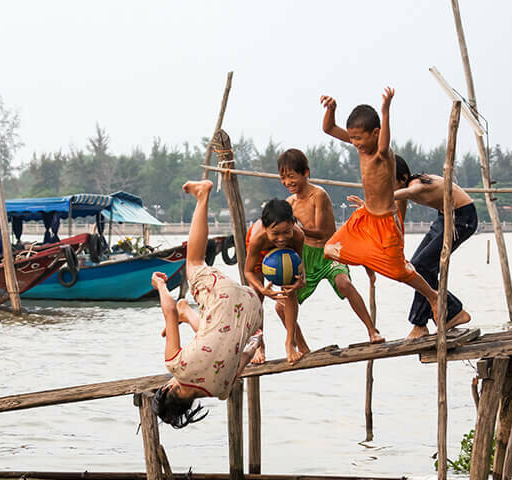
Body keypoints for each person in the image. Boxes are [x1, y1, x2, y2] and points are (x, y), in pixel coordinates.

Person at [319, 88, 440, 333]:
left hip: (386, 221)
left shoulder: (383, 154)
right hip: (365, 217)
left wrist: (385, 110)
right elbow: (329, 129)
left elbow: (384, 142)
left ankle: (433, 296)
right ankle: (370, 263)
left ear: (375, 133)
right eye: (352, 139)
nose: (355, 144)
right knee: (330, 249)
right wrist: (331, 109)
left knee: (399, 271)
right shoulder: (360, 147)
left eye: (360, 139)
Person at [152, 180, 264, 429]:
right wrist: (159, 286)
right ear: (170, 389)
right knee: (194, 262)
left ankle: (188, 312)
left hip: (254, 308)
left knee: (214, 333)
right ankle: (202, 196)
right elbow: (167, 310)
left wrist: (257, 340)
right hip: (224, 294)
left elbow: (246, 353)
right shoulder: (176, 366)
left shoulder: (222, 391)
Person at [277, 148, 383, 346]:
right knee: (281, 306)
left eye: (291, 176)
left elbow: (323, 232)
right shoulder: (289, 203)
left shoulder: (319, 195)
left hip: (329, 250)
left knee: (344, 284)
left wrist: (297, 229)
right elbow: (287, 237)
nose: (287, 183)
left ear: (305, 172)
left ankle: (372, 330)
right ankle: (301, 347)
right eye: (283, 178)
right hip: (305, 255)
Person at [392, 156, 475, 339]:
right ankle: (451, 312)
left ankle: (423, 323)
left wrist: (382, 197)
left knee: (422, 266)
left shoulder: (416, 184)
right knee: (415, 266)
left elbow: (415, 190)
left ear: (403, 177)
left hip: (462, 218)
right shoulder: (405, 190)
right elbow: (399, 221)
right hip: (443, 217)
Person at [243, 198, 309, 364]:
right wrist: (263, 289)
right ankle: (259, 344)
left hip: (285, 258)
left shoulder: (297, 236)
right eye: (275, 233)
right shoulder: (257, 238)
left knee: (290, 290)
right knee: (257, 295)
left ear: (294, 223)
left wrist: (301, 281)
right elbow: (248, 271)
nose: (281, 238)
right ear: (265, 228)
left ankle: (290, 343)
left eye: (286, 231)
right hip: (261, 254)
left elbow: (299, 266)